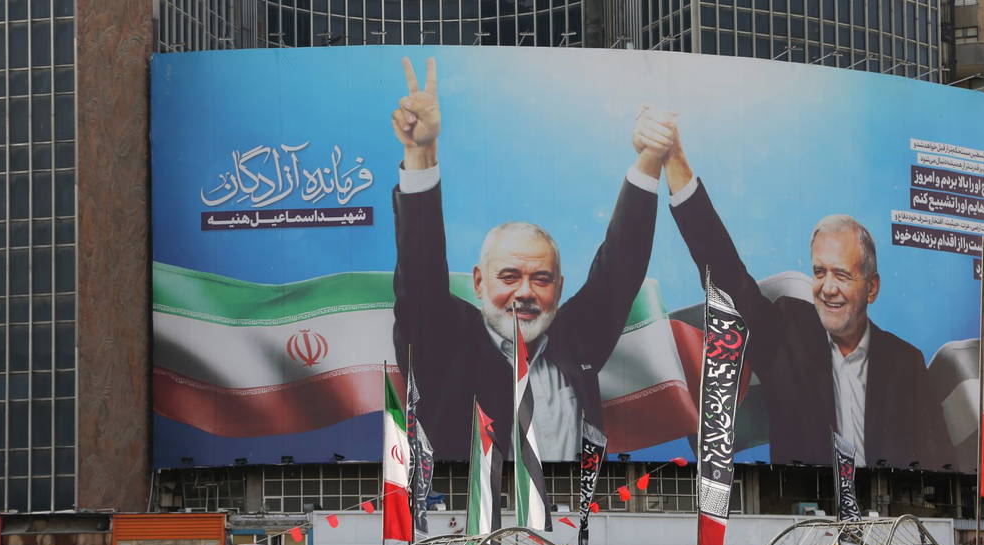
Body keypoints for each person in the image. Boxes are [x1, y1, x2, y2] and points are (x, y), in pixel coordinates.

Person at [391, 57, 666, 460]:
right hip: (475, 501)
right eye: (509, 276)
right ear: (479, 282)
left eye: (541, 279)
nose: (525, 292)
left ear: (559, 288)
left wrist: (650, 160)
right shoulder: (445, 340)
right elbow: (420, 272)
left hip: (570, 498)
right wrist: (420, 154)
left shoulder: (575, 341)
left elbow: (620, 269)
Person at [640, 116, 954, 469]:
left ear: (872, 287)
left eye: (842, 275)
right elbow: (727, 275)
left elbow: (938, 461)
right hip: (803, 503)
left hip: (887, 503)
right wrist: (676, 165)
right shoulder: (789, 333)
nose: (828, 288)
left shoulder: (905, 363)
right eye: (820, 272)